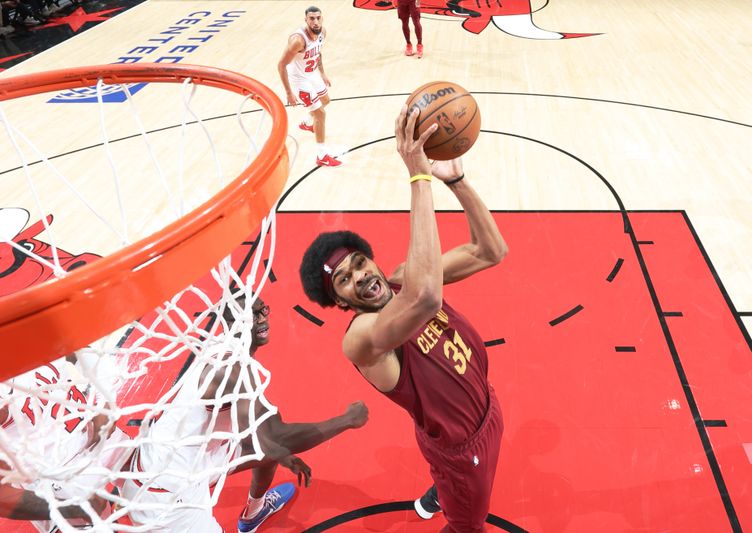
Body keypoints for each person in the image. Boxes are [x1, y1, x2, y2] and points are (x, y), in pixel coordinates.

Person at [298, 106, 508, 532]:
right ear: (338, 301)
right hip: (460, 446)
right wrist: (419, 177)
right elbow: (427, 297)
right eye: (344, 280)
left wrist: (457, 181)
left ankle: (441, 487)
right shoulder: (361, 338)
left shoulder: (399, 280)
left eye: (360, 264)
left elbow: (491, 251)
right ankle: (448, 489)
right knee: (468, 526)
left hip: (486, 407)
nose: (361, 277)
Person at [121, 296, 369, 533]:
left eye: (263, 310)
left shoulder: (223, 347)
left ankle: (253, 514)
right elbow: (277, 437)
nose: (262, 319)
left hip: (191, 457)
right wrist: (347, 420)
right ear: (231, 324)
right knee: (271, 441)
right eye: (251, 314)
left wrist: (276, 449)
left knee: (264, 449)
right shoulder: (231, 371)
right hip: (164, 493)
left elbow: (264, 439)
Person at [0, 355, 128, 532]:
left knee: (160, 485)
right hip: (56, 478)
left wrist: (105, 400)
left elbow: (80, 350)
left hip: (97, 434)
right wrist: (71, 507)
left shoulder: (31, 336)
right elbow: (2, 497)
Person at [278, 6, 342, 167]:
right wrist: (288, 92)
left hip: (312, 73)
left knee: (326, 100)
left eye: (318, 18)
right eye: (311, 18)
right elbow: (281, 65)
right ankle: (321, 155)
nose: (315, 21)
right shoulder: (298, 41)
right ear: (305, 20)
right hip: (299, 79)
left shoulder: (322, 33)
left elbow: (318, 53)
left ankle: (306, 123)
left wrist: (322, 73)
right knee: (321, 114)